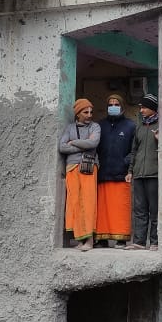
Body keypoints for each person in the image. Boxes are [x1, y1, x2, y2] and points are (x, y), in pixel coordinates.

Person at [126, 93, 162, 250]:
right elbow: (134, 151)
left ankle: (155, 242)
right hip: (138, 174)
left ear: (153, 108)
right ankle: (139, 242)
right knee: (139, 210)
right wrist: (130, 171)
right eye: (141, 107)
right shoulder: (140, 126)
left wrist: (161, 139)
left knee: (155, 210)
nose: (141, 110)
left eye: (144, 107)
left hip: (155, 174)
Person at [59, 98, 101, 251]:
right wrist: (83, 144)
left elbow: (93, 143)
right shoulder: (69, 128)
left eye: (91, 112)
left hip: (88, 167)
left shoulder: (95, 127)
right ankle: (79, 239)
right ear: (78, 114)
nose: (89, 115)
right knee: (74, 202)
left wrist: (74, 142)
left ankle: (89, 240)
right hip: (72, 168)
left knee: (88, 202)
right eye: (85, 112)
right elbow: (62, 147)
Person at [95, 93, 136, 247]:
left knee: (120, 208)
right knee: (103, 209)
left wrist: (126, 163)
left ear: (122, 106)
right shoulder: (100, 126)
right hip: (103, 174)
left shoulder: (130, 126)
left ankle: (121, 239)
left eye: (116, 104)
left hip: (121, 174)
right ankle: (102, 239)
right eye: (110, 104)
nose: (113, 107)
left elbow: (135, 149)